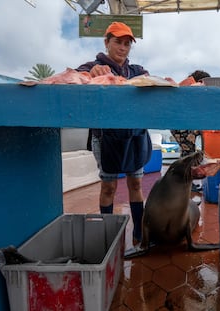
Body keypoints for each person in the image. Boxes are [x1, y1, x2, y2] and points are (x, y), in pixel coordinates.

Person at [76, 22, 152, 242]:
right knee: (108, 186)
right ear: (106, 42)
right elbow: (77, 77)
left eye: (127, 43)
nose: (123, 48)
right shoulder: (91, 67)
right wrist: (91, 73)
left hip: (135, 136)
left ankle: (139, 229)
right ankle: (108, 234)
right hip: (105, 137)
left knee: (136, 183)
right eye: (118, 42)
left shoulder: (137, 72)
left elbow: (151, 86)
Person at [171, 70, 211, 192]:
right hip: (182, 127)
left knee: (188, 153)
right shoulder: (191, 90)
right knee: (188, 155)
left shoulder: (185, 89)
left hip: (181, 126)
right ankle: (185, 183)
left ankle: (185, 182)